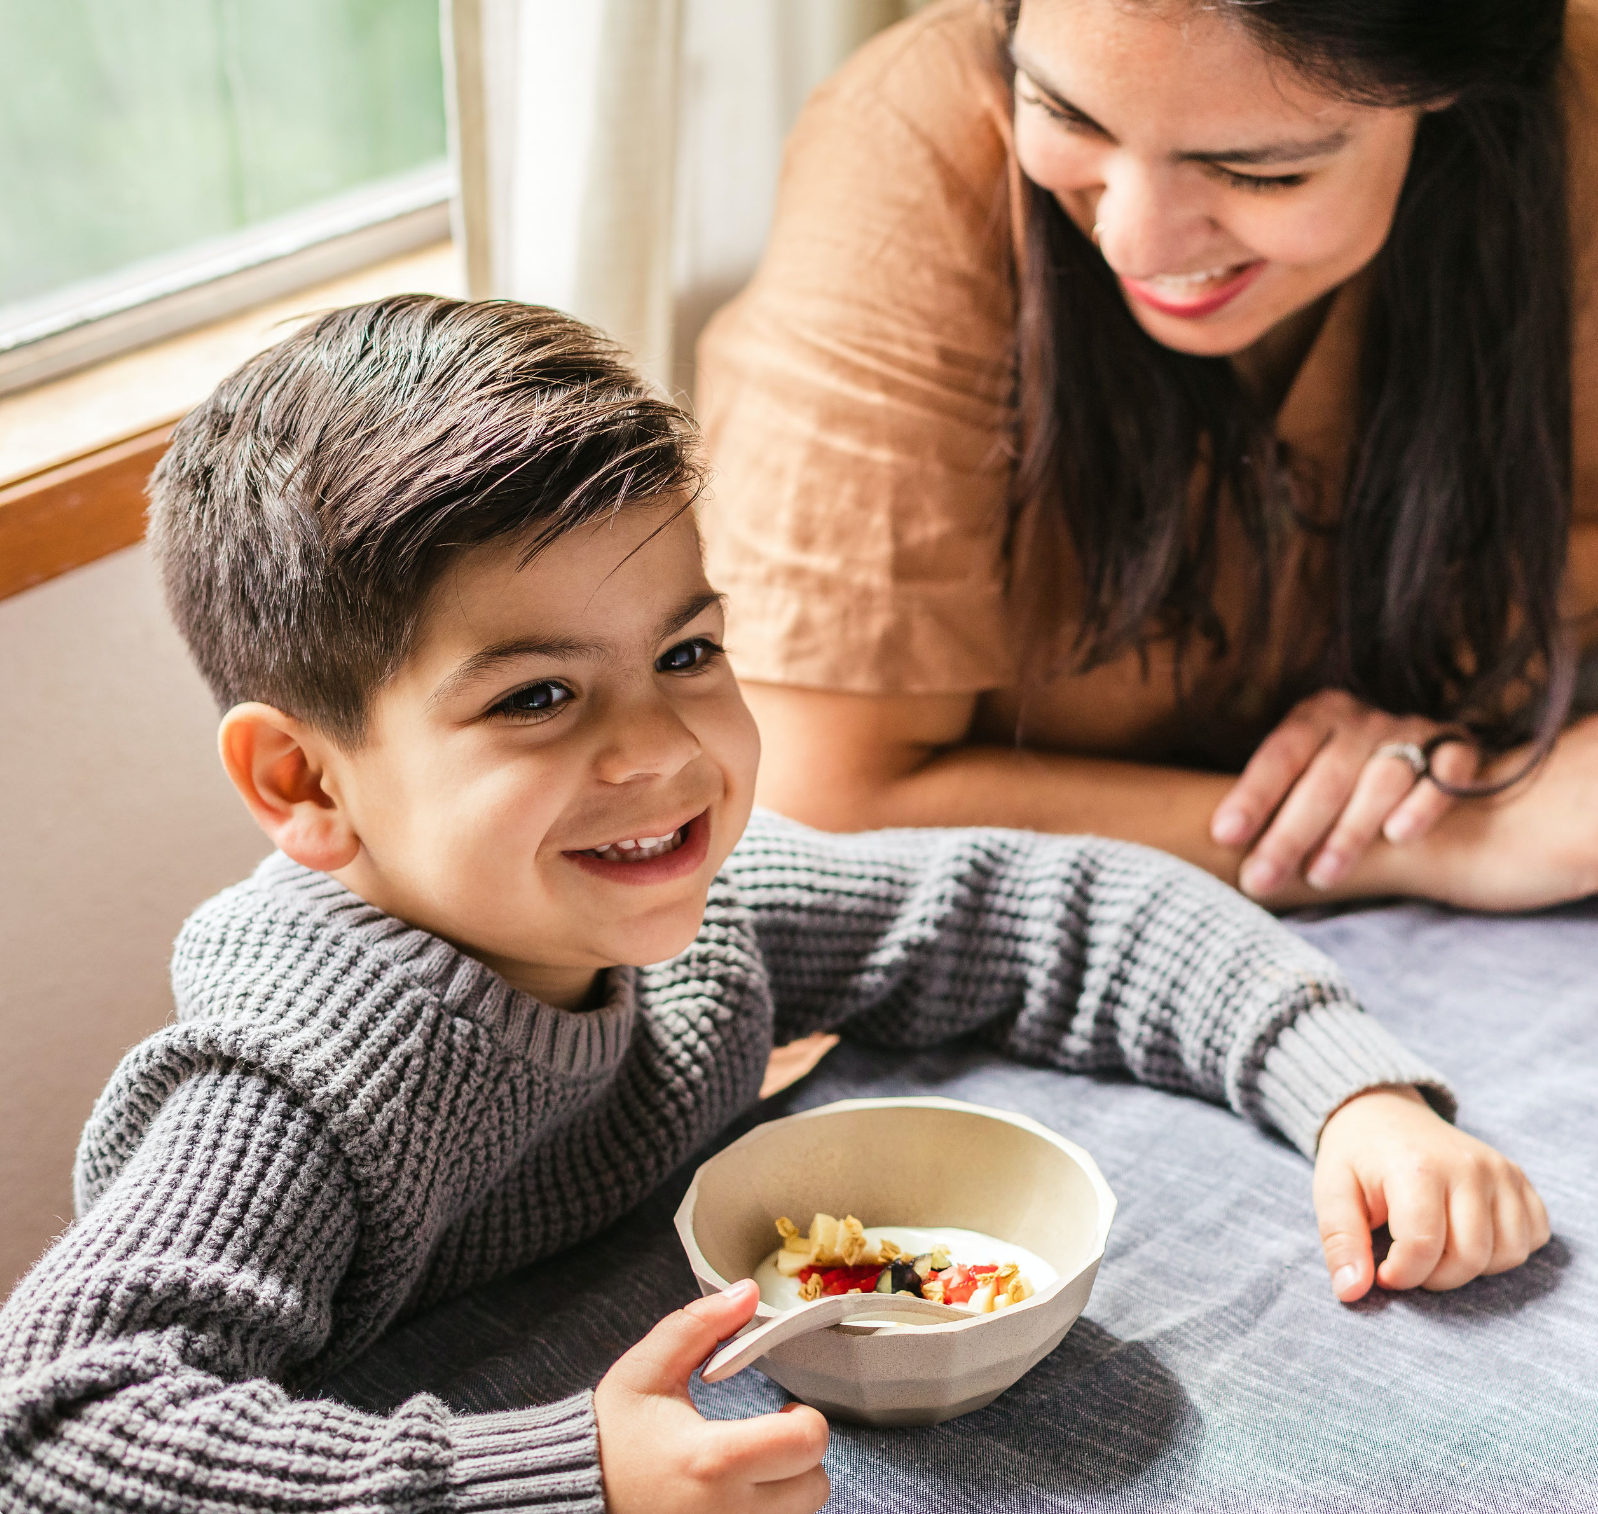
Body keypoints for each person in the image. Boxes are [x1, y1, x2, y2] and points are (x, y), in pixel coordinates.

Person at [0, 297, 1548, 1514]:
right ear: (304, 784)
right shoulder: (299, 1085)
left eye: (685, 653)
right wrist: (565, 1477)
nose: (664, 752)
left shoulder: (707, 912)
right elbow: (55, 1427)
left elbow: (1040, 903)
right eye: (537, 695)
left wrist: (1345, 1089)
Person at [696, 0, 1598, 913]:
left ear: (1446, 86)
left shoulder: (1580, 109)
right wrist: (1442, 833)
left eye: (1259, 172)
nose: (1131, 243)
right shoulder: (910, 140)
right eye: (1063, 115)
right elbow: (819, 804)